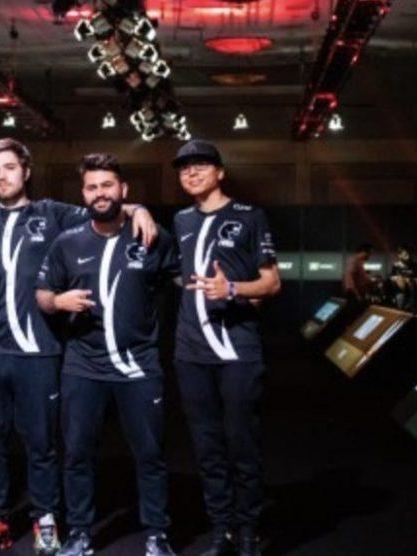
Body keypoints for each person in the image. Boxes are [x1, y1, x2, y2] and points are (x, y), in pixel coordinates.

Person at [0, 139, 158, 555]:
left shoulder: (53, 214)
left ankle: (45, 519)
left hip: (39, 351)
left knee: (41, 445)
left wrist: (140, 209)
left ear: (26, 171)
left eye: (9, 167)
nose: (2, 176)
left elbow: (105, 207)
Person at [35, 153, 178, 556]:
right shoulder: (67, 242)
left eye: (107, 186)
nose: (100, 194)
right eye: (92, 187)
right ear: (83, 194)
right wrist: (57, 301)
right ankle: (80, 532)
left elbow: (181, 279)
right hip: (83, 367)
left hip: (138, 367)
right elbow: (42, 294)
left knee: (150, 455)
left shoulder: (152, 236)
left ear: (123, 190)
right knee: (77, 455)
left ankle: (157, 534)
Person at [171, 139, 280, 556]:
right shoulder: (180, 220)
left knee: (241, 442)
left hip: (237, 349)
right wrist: (136, 208)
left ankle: (249, 529)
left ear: (220, 172)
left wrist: (231, 288)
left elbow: (272, 283)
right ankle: (222, 529)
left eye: (201, 164)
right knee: (207, 447)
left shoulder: (249, 216)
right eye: (184, 167)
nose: (191, 172)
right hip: (190, 353)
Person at [388, 245, 417, 311]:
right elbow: (391, 277)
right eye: (405, 254)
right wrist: (398, 278)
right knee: (400, 308)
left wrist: (411, 280)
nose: (407, 256)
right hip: (400, 292)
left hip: (413, 293)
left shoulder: (414, 265)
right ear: (399, 256)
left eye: (408, 254)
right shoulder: (396, 266)